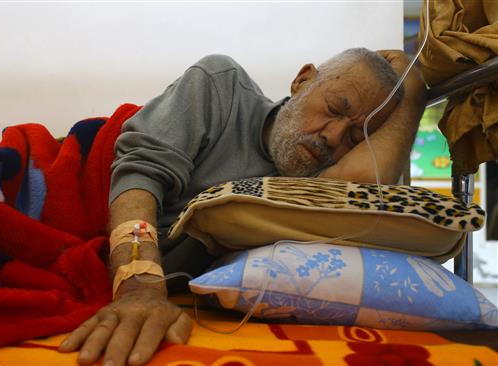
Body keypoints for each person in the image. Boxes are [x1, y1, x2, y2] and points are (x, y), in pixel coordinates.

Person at [58, 48, 426, 366]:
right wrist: (139, 285)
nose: (331, 136)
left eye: (353, 137)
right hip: (60, 186)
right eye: (333, 108)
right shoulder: (222, 86)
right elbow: (140, 174)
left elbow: (367, 181)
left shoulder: (316, 187)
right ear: (301, 80)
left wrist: (415, 88)